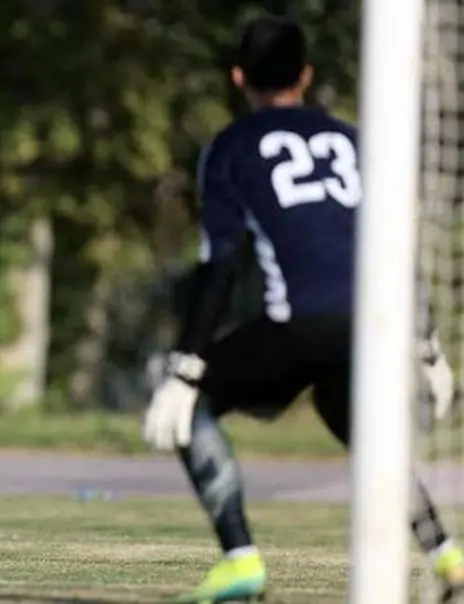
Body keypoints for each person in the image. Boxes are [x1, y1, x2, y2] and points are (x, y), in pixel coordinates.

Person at [140, 17, 464, 602]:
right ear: (307, 75)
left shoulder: (230, 148)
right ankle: (446, 555)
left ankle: (240, 560)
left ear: (239, 78)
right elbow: (391, 241)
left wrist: (186, 364)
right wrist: (427, 341)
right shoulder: (354, 139)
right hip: (374, 322)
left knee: (197, 404)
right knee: (359, 424)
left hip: (299, 324)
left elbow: (220, 264)